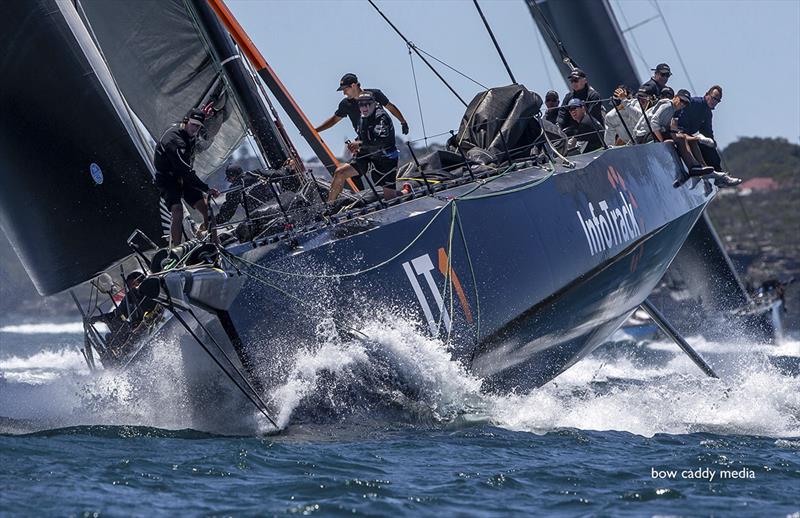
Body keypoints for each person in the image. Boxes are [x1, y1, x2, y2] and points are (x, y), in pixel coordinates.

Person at [153, 108, 219, 246]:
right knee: (177, 211)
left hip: (183, 177)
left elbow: (195, 117)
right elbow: (185, 171)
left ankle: (213, 242)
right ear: (186, 122)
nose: (195, 129)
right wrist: (206, 189)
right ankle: (175, 250)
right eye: (193, 124)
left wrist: (203, 115)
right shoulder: (174, 141)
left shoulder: (189, 129)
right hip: (168, 179)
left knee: (206, 208)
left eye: (198, 126)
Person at [327, 92, 399, 203]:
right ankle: (330, 207)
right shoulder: (362, 116)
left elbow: (379, 140)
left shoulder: (381, 117)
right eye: (360, 104)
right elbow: (364, 135)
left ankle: (406, 190)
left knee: (390, 198)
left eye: (367, 104)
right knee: (340, 172)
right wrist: (356, 145)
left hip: (385, 158)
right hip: (366, 155)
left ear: (374, 104)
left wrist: (360, 144)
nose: (364, 107)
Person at [675, 85, 741, 186]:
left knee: (709, 147)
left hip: (687, 136)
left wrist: (712, 143)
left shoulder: (707, 113)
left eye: (717, 101)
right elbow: (679, 117)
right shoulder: (694, 103)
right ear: (707, 95)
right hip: (678, 134)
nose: (714, 102)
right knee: (698, 142)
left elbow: (707, 132)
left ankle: (718, 176)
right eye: (714, 98)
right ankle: (709, 175)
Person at [315, 73, 409, 135]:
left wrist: (403, 122)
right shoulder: (345, 104)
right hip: (364, 141)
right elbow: (334, 120)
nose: (344, 93)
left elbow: (390, 107)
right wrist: (315, 131)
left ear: (353, 85)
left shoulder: (375, 94)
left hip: (381, 138)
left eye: (345, 89)